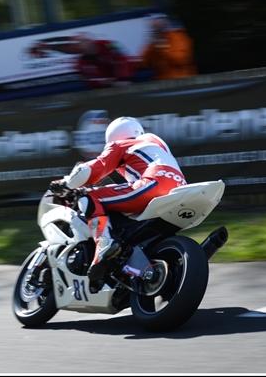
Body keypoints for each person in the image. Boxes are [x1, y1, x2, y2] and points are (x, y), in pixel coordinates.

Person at [48, 116, 187, 293]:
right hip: (179, 187)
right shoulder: (156, 143)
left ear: (113, 136)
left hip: (153, 183)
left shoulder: (120, 145)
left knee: (89, 196)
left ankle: (104, 243)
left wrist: (66, 183)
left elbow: (93, 170)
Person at [138, 14, 197, 81]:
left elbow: (180, 60)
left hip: (182, 79)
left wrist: (162, 46)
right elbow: (143, 63)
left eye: (157, 23)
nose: (154, 27)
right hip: (162, 81)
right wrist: (152, 44)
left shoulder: (178, 37)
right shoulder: (153, 43)